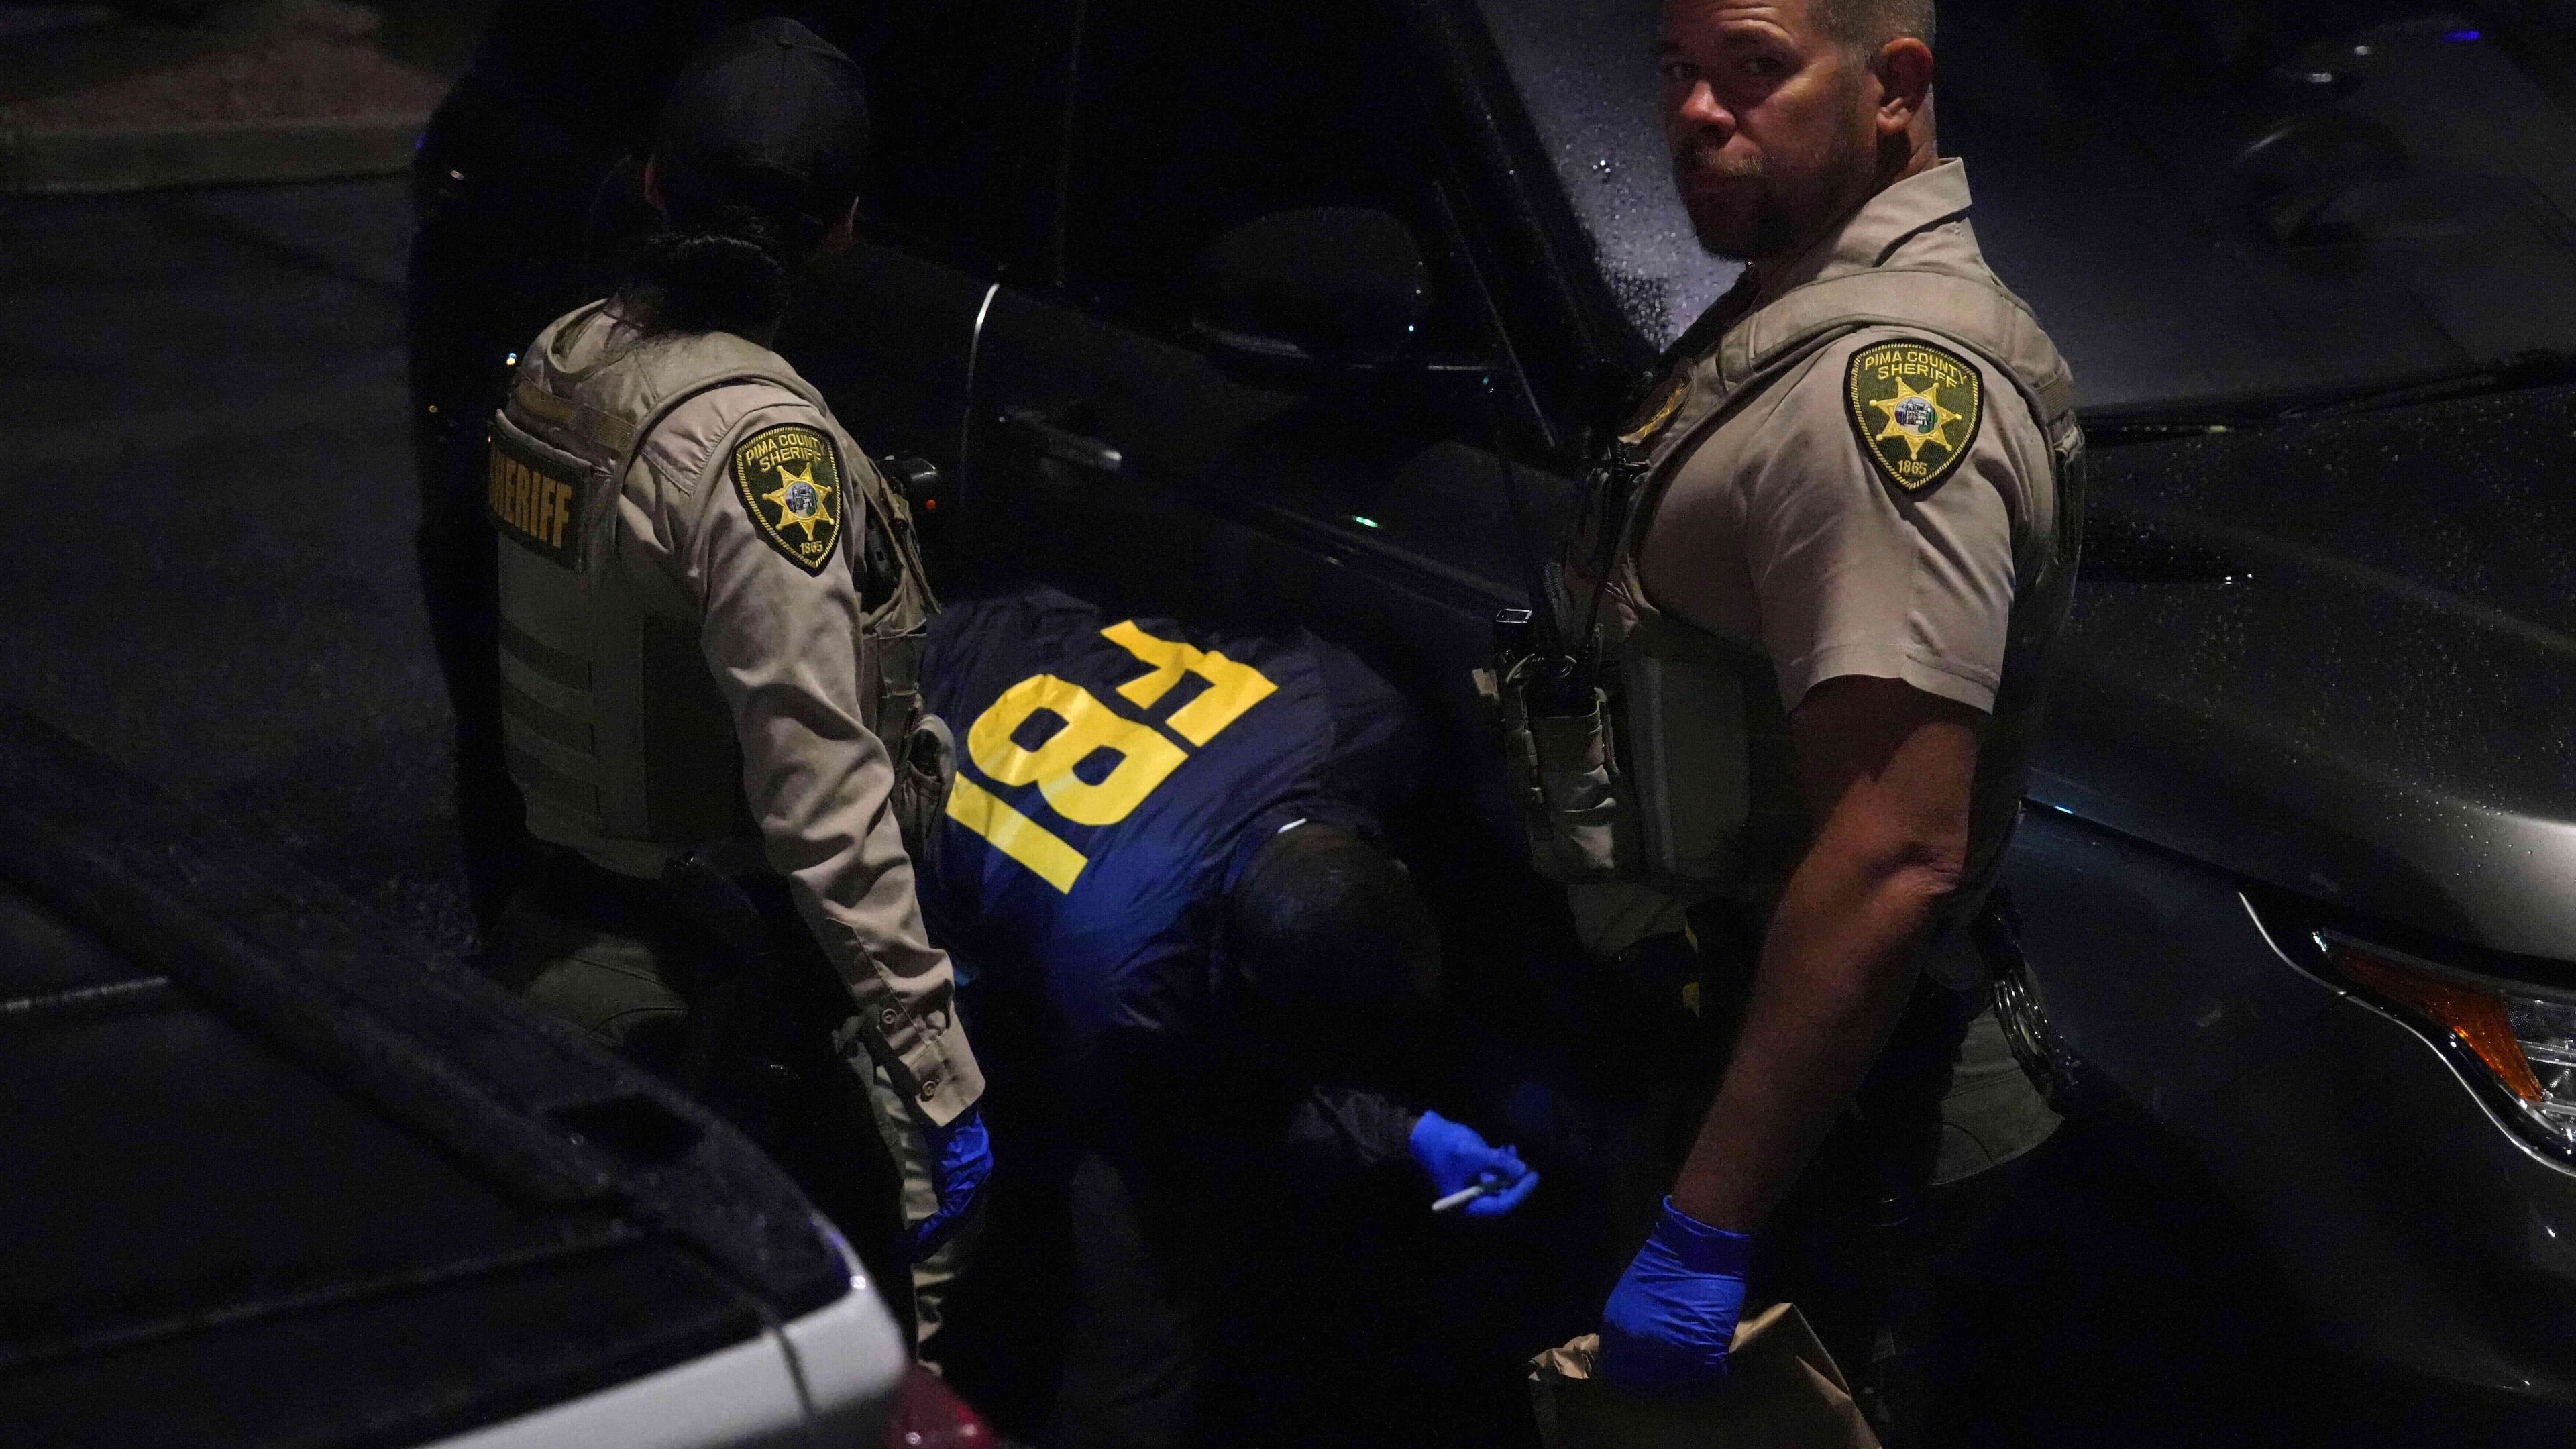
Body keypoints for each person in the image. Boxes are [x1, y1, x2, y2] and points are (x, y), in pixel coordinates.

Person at [1561, 0, 2085, 1417]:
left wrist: (1706, 1226)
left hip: (1832, 1136)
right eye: (1676, 71)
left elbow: (1892, 855)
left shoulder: (1879, 398)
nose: (1694, 112)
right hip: (1766, 1067)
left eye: (1752, 68)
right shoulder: (1797, 307)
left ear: (1894, 86)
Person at [478, 17, 987, 1338]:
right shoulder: (756, 449)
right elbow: (821, 803)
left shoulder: (566, 361)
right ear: (842, 227)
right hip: (711, 1011)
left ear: (654, 181)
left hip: (555, 936)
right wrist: (939, 1074)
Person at [915, 586, 1538, 1448]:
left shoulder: (1348, 708)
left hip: (1024, 628)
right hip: (907, 706)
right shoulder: (1128, 982)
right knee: (1142, 1256)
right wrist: (1404, 1134)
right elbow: (1206, 1124)